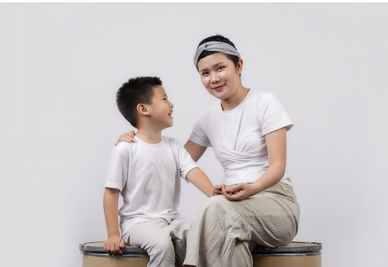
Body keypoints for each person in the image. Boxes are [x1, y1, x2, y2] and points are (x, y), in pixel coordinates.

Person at [117, 35, 300, 267]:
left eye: (220, 68)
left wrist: (252, 188)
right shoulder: (208, 117)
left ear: (239, 66)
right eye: (205, 73)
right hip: (232, 211)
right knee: (230, 242)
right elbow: (176, 162)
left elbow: (277, 167)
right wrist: (136, 139)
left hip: (275, 202)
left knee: (216, 207)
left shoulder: (265, 103)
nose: (213, 78)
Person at [103, 76, 214, 267]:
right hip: (138, 224)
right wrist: (113, 233)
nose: (171, 104)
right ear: (143, 109)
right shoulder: (125, 149)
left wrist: (216, 195)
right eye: (164, 99)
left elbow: (193, 172)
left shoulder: (174, 147)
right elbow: (111, 193)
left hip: (172, 220)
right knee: (162, 245)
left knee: (196, 239)